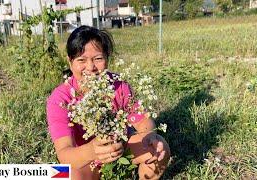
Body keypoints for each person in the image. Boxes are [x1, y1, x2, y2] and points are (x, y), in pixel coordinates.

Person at [46, 25, 170, 180]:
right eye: (81, 60)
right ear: (70, 62)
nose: (90, 67)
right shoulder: (60, 99)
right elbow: (64, 154)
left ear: (107, 59)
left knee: (159, 146)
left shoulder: (118, 85)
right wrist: (93, 150)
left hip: (122, 151)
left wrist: (150, 136)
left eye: (98, 58)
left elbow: (143, 120)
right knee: (62, 175)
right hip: (86, 161)